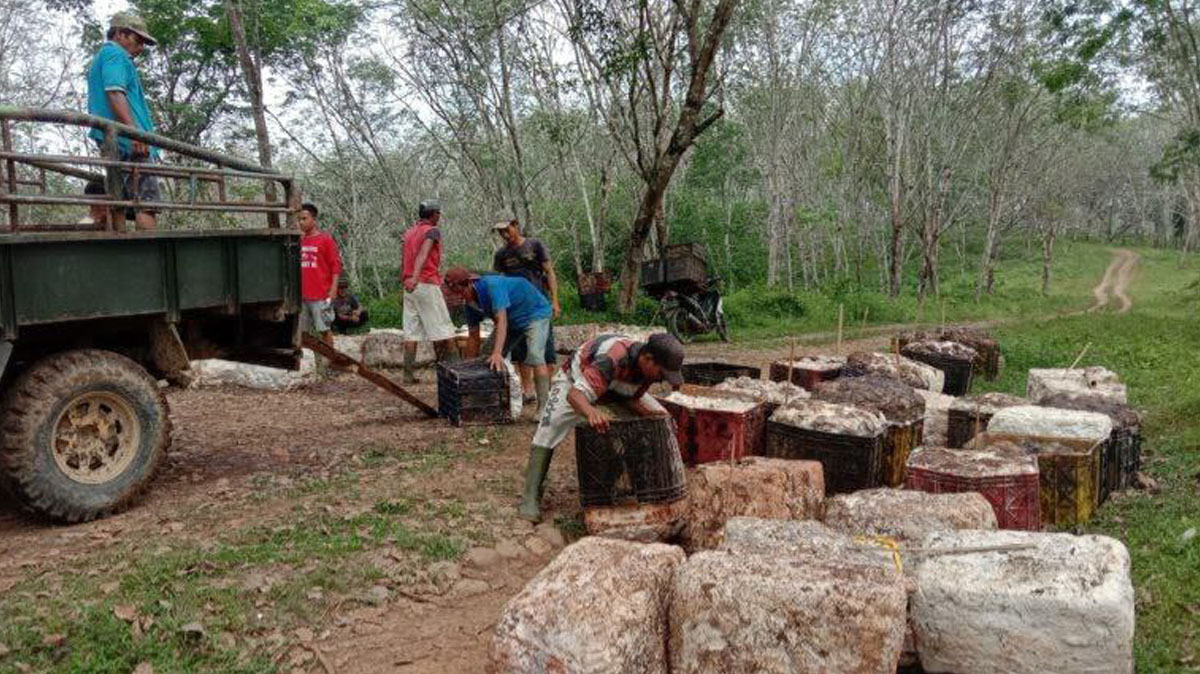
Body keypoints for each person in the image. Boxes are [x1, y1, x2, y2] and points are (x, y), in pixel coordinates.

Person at [516, 332, 686, 522]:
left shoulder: (648, 369)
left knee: (661, 420)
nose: (662, 379)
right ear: (648, 359)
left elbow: (631, 397)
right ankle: (530, 498)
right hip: (576, 383)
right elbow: (574, 396)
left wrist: (654, 416)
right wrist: (590, 412)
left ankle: (639, 485)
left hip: (615, 388)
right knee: (549, 428)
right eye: (662, 373)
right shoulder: (611, 359)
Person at [86, 12, 160, 232]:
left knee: (119, 198)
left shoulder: (105, 57)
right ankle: (152, 258)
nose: (141, 48)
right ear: (119, 34)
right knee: (147, 202)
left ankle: (119, 239)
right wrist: (135, 133)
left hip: (115, 139)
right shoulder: (115, 55)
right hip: (127, 141)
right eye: (138, 41)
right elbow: (115, 92)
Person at [444, 267, 553, 415]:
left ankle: (544, 408)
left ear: (469, 283)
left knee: (535, 355)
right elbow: (473, 337)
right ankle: (486, 400)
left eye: (462, 292)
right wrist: (467, 368)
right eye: (457, 295)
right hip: (512, 319)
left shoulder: (492, 286)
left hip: (535, 313)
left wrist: (498, 353)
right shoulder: (469, 304)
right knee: (486, 354)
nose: (462, 297)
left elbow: (501, 320)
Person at [492, 217, 561, 404]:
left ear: (516, 225)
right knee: (521, 352)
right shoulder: (501, 255)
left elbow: (549, 272)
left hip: (539, 305)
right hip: (516, 308)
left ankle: (546, 394)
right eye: (501, 232)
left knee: (545, 351)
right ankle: (527, 390)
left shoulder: (534, 245)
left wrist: (554, 301)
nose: (505, 235)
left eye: (507, 230)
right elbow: (500, 281)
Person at [401, 200, 458, 383]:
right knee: (445, 330)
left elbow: (406, 258)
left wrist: (409, 280)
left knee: (411, 333)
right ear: (433, 214)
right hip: (425, 283)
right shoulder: (432, 231)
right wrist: (417, 277)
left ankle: (408, 375)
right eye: (438, 214)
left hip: (409, 286)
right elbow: (423, 254)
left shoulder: (409, 233)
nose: (439, 217)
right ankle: (458, 374)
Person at [298, 203, 342, 351]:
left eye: (304, 218)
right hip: (302, 295)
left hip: (321, 294)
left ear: (314, 219)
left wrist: (333, 289)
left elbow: (335, 266)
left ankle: (331, 360)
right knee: (303, 332)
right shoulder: (299, 240)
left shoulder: (325, 240)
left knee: (324, 329)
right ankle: (312, 364)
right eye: (299, 219)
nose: (301, 222)